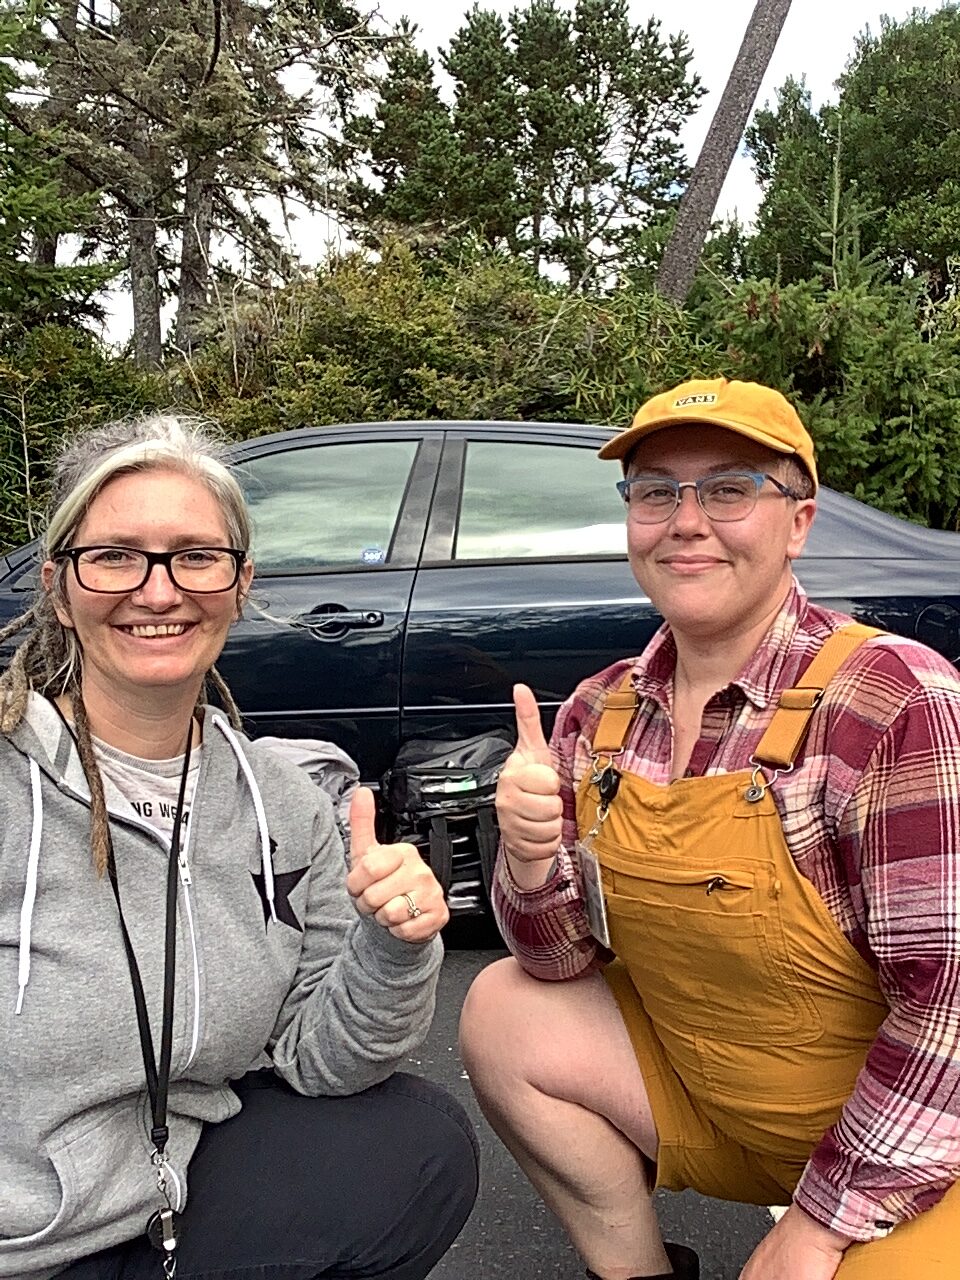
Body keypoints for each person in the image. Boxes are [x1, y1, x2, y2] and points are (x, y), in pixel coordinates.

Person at [459, 377, 960, 1280]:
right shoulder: (598, 713)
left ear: (797, 522)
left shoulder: (892, 703)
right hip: (723, 1104)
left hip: (921, 1146)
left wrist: (815, 1226)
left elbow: (950, 1009)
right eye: (656, 491)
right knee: (503, 1011)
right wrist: (530, 868)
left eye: (728, 488)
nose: (685, 520)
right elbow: (561, 964)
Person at [0, 414, 478, 1280]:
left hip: (166, 1205)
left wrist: (395, 944)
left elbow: (318, 1058)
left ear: (240, 581)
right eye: (115, 556)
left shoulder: (283, 803)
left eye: (194, 555)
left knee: (418, 1141)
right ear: (59, 589)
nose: (157, 591)